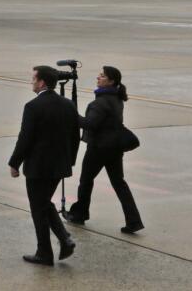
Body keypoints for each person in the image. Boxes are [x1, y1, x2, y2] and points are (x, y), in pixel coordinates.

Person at [9, 65, 80, 266]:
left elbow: (25, 138)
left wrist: (15, 163)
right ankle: (65, 239)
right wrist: (70, 160)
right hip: (59, 166)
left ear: (41, 82)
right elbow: (75, 137)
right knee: (44, 203)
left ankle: (45, 253)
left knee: (38, 208)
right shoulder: (68, 105)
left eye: (33, 79)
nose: (31, 82)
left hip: (38, 168)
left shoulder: (32, 107)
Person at [63, 66, 144, 234]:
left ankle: (80, 213)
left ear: (111, 81)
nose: (98, 77)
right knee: (119, 183)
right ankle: (134, 220)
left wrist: (71, 114)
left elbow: (90, 124)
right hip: (114, 148)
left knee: (86, 181)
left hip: (99, 148)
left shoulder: (100, 102)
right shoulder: (116, 98)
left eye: (102, 76)